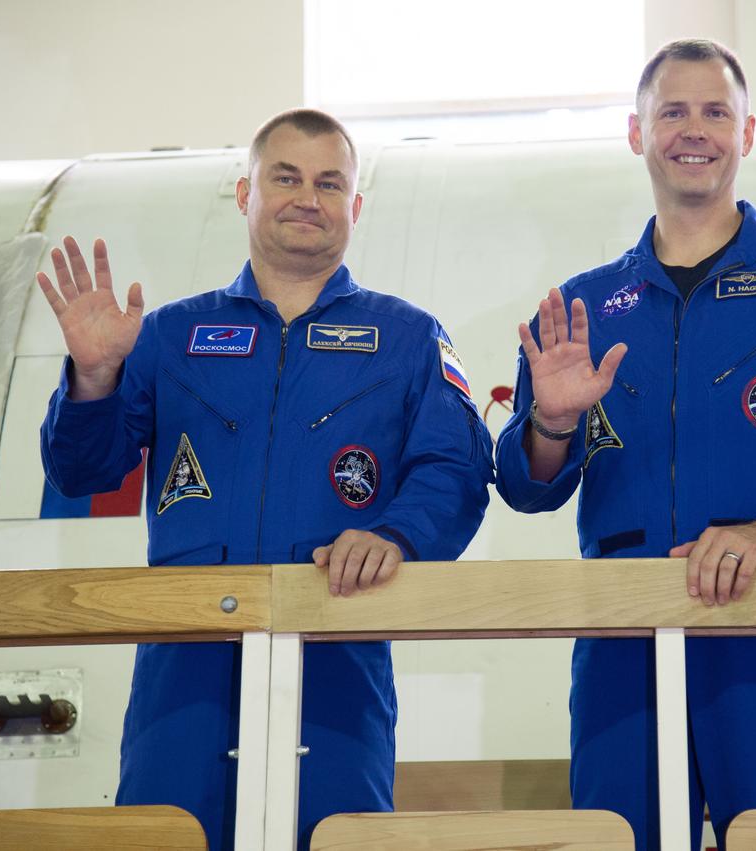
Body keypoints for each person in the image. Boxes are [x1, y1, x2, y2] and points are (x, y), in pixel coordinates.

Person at [495, 39, 756, 850]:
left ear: (747, 132)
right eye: (673, 112)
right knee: (620, 836)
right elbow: (529, 483)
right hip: (621, 625)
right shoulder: (584, 307)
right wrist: (550, 421)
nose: (695, 130)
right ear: (636, 133)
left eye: (715, 112)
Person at [38, 109, 494, 851]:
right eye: (285, 177)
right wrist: (93, 379)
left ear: (354, 206)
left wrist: (396, 534)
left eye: (329, 183)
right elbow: (83, 470)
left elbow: (458, 467)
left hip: (338, 644)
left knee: (332, 838)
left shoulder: (409, 337)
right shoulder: (169, 335)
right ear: (245, 193)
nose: (306, 197)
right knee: (169, 837)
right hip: (183, 655)